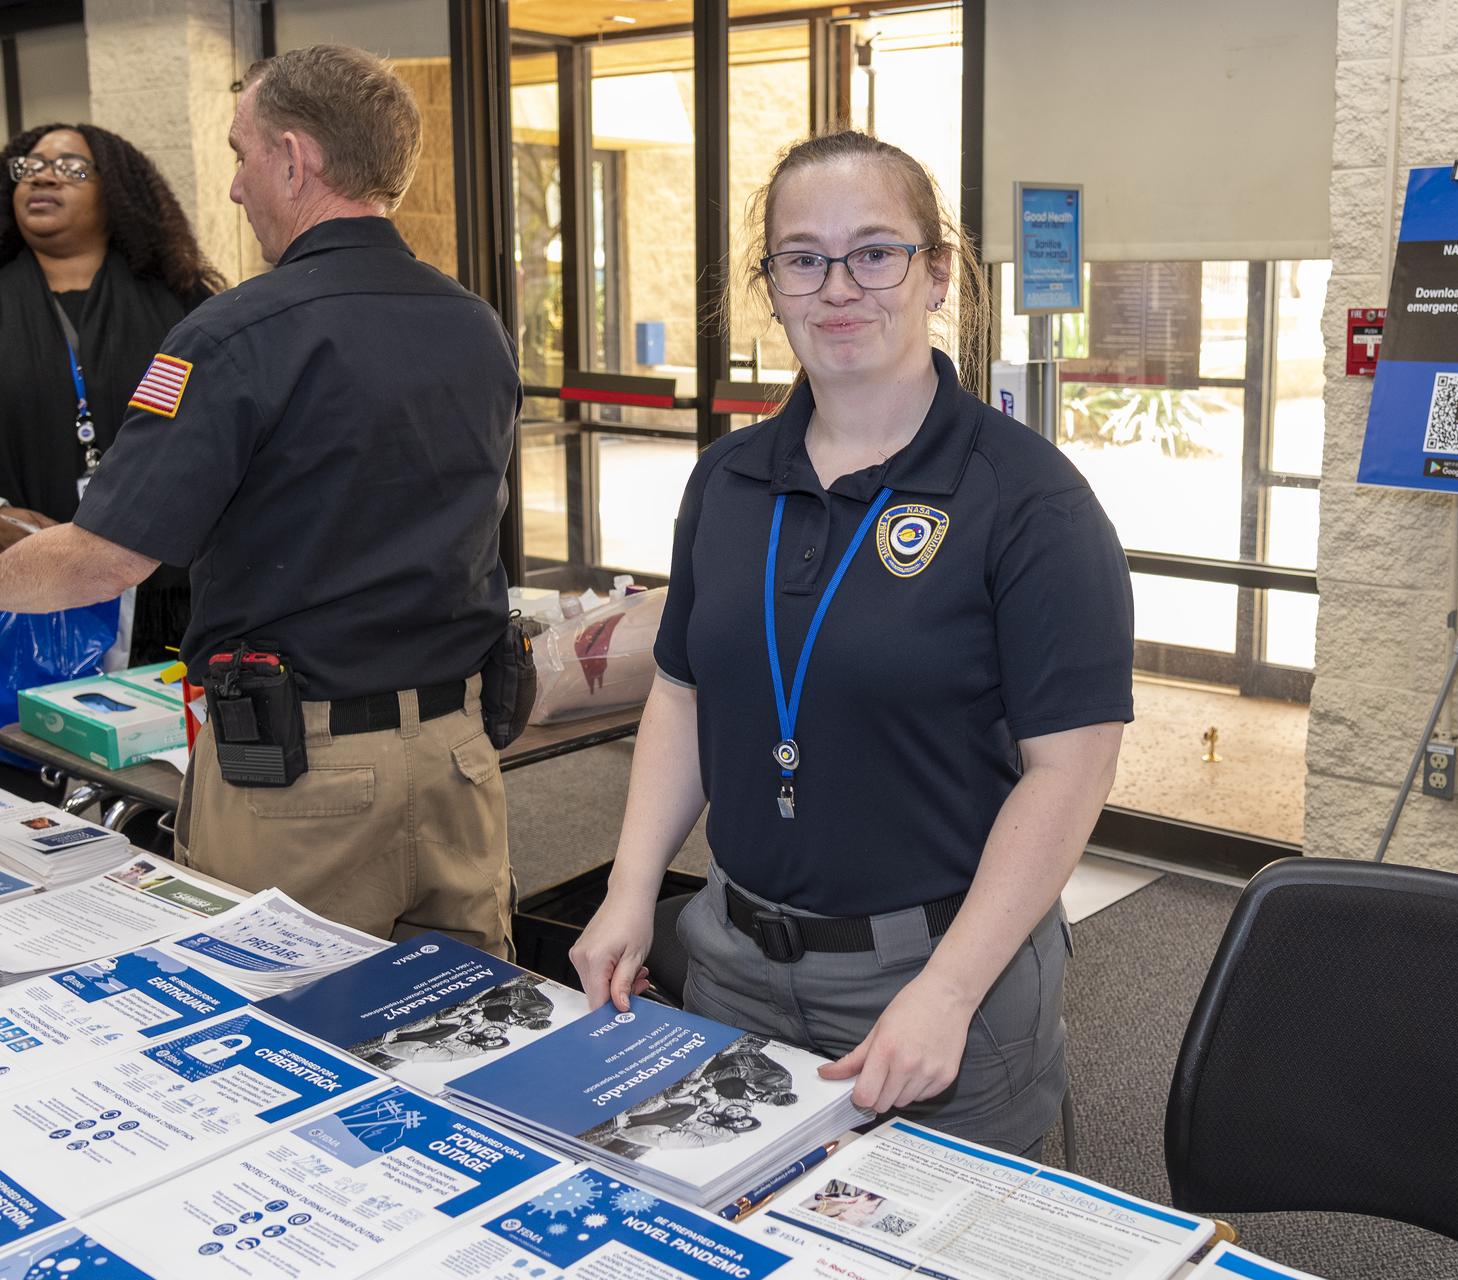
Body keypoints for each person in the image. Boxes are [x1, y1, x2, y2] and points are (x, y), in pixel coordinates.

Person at [570, 131, 1133, 1156]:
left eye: (875, 251)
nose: (839, 286)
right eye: (802, 256)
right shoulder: (729, 482)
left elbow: (1070, 768)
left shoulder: (1030, 501)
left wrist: (949, 989)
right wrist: (630, 888)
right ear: (771, 283)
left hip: (935, 970)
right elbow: (684, 696)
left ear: (936, 273)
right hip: (732, 954)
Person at [0, 45, 520, 954]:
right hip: (459, 760)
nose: (235, 188)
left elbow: (107, 556)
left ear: (293, 157)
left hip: (301, 783)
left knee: (274, 1042)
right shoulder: (473, 324)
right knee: (460, 1034)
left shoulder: (236, 335)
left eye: (241, 155)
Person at [0, 123, 222, 801]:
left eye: (70, 165)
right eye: (28, 165)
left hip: (163, 599)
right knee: (31, 792)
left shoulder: (185, 305)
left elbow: (228, 437)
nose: (42, 176)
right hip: (22, 597)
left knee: (160, 791)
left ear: (119, 193)